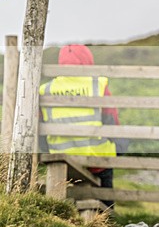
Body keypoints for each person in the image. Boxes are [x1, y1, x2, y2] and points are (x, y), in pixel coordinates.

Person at [39, 44, 126, 209]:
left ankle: (62, 214)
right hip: (95, 158)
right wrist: (119, 147)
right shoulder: (98, 85)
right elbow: (111, 120)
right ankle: (107, 215)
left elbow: (40, 127)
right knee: (105, 177)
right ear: (88, 60)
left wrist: (46, 151)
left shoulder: (46, 89)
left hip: (60, 156)